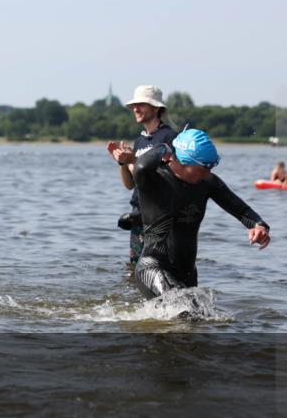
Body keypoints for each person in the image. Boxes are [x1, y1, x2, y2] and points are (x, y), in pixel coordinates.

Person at [109, 129, 270, 298]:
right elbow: (141, 165)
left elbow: (241, 209)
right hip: (152, 268)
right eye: (204, 167)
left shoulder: (207, 182)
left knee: (197, 321)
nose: (208, 172)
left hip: (187, 274)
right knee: (183, 313)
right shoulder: (154, 179)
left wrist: (259, 225)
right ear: (183, 161)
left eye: (212, 166)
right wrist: (165, 148)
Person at [106, 86, 178, 267]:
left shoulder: (170, 137)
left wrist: (134, 159)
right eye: (134, 105)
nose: (136, 109)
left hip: (160, 216)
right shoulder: (140, 141)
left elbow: (169, 175)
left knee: (159, 268)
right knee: (135, 270)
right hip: (139, 216)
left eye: (141, 105)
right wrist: (122, 162)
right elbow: (130, 185)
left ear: (156, 108)